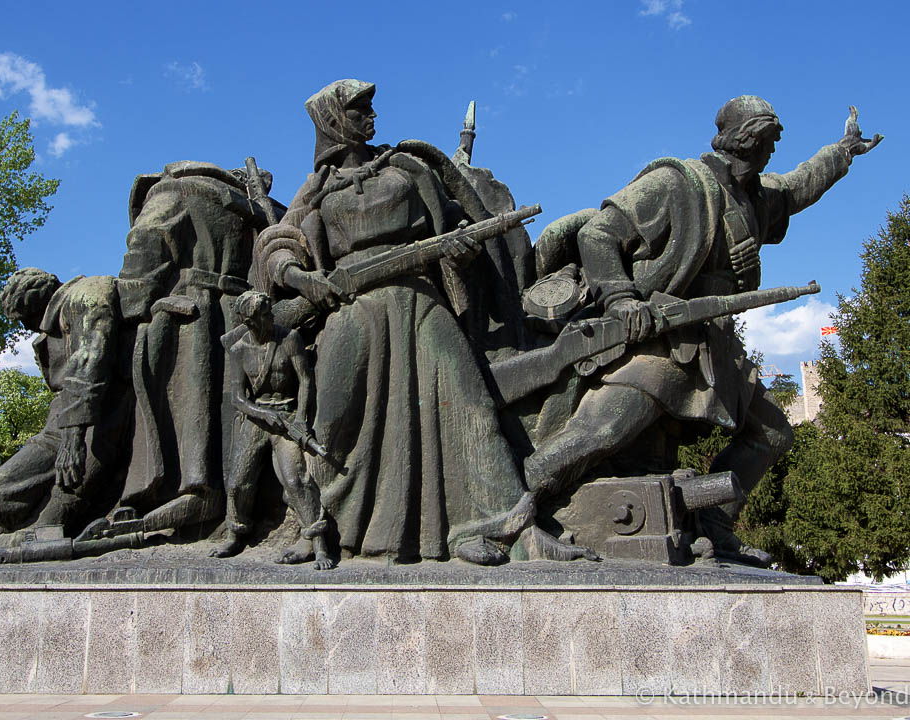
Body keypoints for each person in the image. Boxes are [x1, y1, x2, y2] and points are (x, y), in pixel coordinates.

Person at [523, 97, 881, 564]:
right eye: (767, 139)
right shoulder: (677, 182)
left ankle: (714, 525)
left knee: (771, 432)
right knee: (602, 431)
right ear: (743, 137)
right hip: (660, 337)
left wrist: (842, 152)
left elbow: (798, 187)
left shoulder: (755, 196)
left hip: (713, 345)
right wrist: (622, 299)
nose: (772, 150)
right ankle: (510, 516)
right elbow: (598, 235)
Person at [255, 79, 585, 565]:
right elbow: (278, 243)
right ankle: (316, 528)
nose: (372, 116)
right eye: (359, 110)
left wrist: (459, 247)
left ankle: (512, 530)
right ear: (332, 122)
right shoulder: (318, 188)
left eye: (371, 107)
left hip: (418, 296)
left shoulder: (405, 167)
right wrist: (303, 280)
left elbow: (449, 219)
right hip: (354, 310)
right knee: (331, 421)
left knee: (468, 400)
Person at [114, 161, 279, 528]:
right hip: (242, 314)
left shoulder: (172, 192)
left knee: (194, 399)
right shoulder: (246, 204)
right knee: (226, 407)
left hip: (191, 316)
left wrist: (136, 306)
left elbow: (142, 252)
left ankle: (190, 491)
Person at [0, 268, 132, 540]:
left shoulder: (85, 294)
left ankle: (52, 524)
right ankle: (44, 526)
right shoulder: (57, 317)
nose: (25, 328)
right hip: (58, 425)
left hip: (98, 414)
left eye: (24, 319)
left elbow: (90, 358)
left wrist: (73, 437)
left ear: (35, 302)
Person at [211, 291, 333, 570]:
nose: (271, 317)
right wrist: (262, 413)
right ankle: (235, 533)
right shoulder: (239, 349)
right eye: (265, 315)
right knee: (238, 482)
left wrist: (300, 419)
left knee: (295, 480)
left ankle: (318, 542)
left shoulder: (289, 339)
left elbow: (304, 380)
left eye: (269, 312)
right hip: (258, 420)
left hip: (286, 419)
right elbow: (237, 398)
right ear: (250, 321)